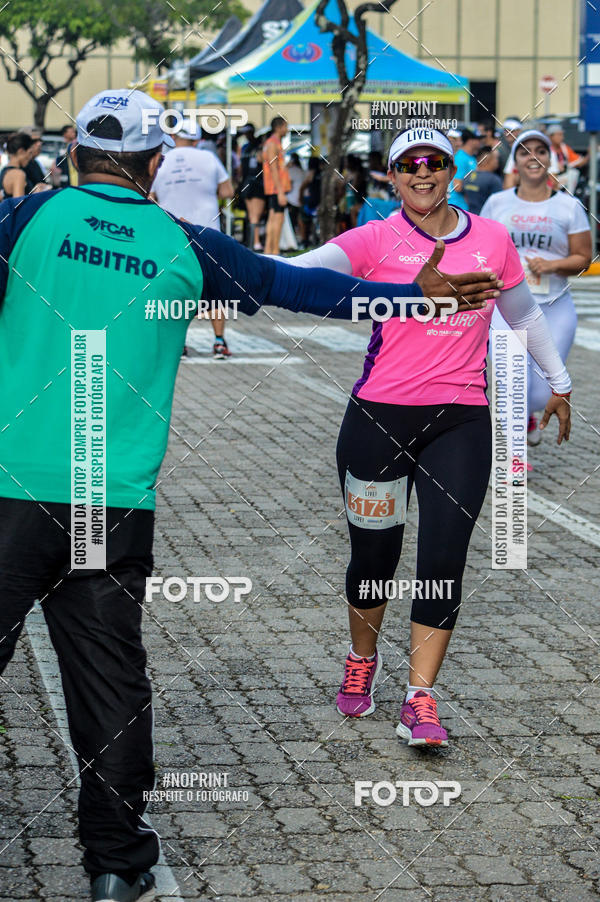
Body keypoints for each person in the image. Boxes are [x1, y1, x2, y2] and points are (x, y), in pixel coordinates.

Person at [0, 92, 502, 902]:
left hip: (9, 488)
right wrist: (418, 299)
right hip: (109, 501)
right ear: (154, 163)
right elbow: (304, 291)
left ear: (71, 154)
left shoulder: (23, 220)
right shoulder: (184, 243)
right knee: (109, 685)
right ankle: (117, 867)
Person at [278, 127, 572, 746]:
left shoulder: (491, 238)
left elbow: (522, 314)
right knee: (374, 559)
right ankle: (363, 660)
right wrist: (403, 298)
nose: (421, 173)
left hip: (460, 420)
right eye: (407, 164)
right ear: (390, 176)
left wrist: (560, 381)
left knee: (442, 557)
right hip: (378, 420)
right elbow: (298, 279)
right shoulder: (374, 237)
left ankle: (421, 696)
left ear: (451, 170)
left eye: (433, 162)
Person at [481, 129, 591, 448]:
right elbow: (481, 250)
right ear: (514, 162)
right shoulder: (496, 203)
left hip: (554, 306)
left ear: (551, 159)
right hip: (506, 306)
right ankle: (512, 456)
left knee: (543, 388)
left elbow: (584, 258)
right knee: (510, 381)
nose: (533, 157)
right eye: (524, 152)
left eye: (540, 151)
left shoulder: (568, 207)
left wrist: (553, 265)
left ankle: (529, 415)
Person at [150, 120, 235, 359]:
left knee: (176, 290)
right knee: (215, 290)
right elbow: (228, 192)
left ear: (175, 137)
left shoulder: (162, 161)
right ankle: (219, 342)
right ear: (197, 139)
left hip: (173, 234)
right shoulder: (209, 158)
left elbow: (150, 197)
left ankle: (180, 345)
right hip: (208, 233)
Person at [262, 116, 290, 254]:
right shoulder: (273, 144)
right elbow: (273, 168)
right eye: (286, 126)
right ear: (278, 127)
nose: (288, 129)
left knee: (273, 217)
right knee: (278, 218)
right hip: (275, 187)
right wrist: (280, 191)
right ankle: (274, 250)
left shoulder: (271, 143)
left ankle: (270, 250)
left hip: (273, 187)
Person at [239, 123, 266, 251]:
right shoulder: (250, 147)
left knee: (252, 216)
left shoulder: (246, 148)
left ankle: (253, 242)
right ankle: (255, 242)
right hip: (255, 184)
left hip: (247, 183)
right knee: (255, 215)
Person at [546, 124, 587, 193]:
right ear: (551, 136)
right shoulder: (545, 149)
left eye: (562, 135)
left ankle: (568, 196)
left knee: (573, 173)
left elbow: (578, 162)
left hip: (561, 179)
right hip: (548, 180)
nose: (562, 137)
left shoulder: (564, 147)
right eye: (559, 135)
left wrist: (589, 155)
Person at [463, 145, 503, 214]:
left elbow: (466, 197)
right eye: (496, 158)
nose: (498, 161)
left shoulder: (468, 176)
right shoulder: (494, 180)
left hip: (470, 217)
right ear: (487, 160)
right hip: (487, 219)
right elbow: (499, 204)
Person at [448, 128, 480, 209]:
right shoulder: (460, 157)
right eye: (478, 139)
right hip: (458, 205)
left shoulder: (472, 157)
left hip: (467, 205)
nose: (480, 142)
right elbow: (457, 186)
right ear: (471, 141)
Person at [0, 132, 35, 197]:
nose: (31, 157)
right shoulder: (18, 174)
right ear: (21, 151)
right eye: (30, 153)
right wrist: (36, 194)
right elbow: (18, 204)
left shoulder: (4, 171)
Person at [51, 123, 79, 188]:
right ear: (65, 134)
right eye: (71, 131)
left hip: (75, 173)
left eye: (74, 131)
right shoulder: (59, 145)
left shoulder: (76, 143)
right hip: (65, 173)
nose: (74, 133)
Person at [285, 152, 304, 232]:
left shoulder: (290, 170)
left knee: (291, 219)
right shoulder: (302, 171)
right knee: (298, 218)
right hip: (300, 199)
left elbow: (288, 186)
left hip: (291, 199)